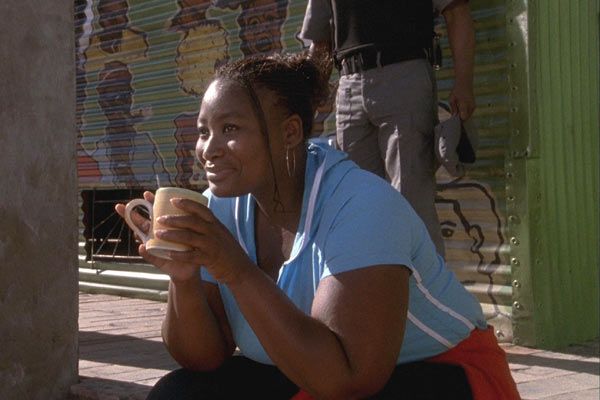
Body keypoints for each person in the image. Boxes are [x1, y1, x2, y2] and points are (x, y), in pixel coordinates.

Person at [116, 53, 518, 399]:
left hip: (442, 376)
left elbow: (348, 379)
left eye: (231, 129)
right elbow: (205, 358)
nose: (209, 149)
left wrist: (234, 269)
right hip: (311, 373)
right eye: (204, 132)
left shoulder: (361, 205)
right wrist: (184, 279)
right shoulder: (221, 204)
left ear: (290, 132)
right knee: (179, 394)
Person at [300, 0, 477, 256]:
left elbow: (456, 13)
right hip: (349, 84)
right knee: (358, 206)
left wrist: (464, 83)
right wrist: (308, 105)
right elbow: (321, 42)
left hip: (404, 75)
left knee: (411, 202)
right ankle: (376, 291)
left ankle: (423, 293)